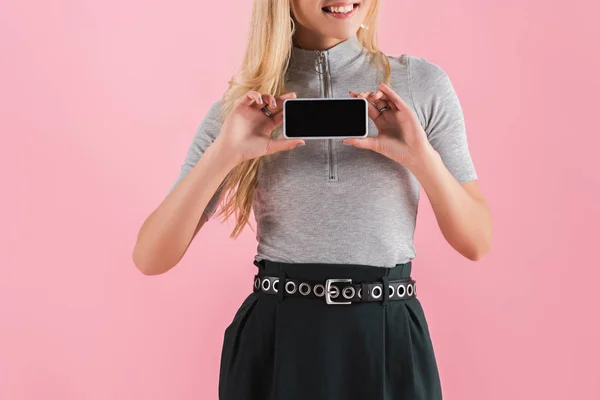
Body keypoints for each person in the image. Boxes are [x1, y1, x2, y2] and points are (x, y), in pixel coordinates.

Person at [133, 0, 492, 399]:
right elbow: (151, 256)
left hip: (389, 335)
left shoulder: (419, 85)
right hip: (278, 340)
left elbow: (476, 241)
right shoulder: (245, 106)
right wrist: (225, 154)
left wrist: (421, 158)